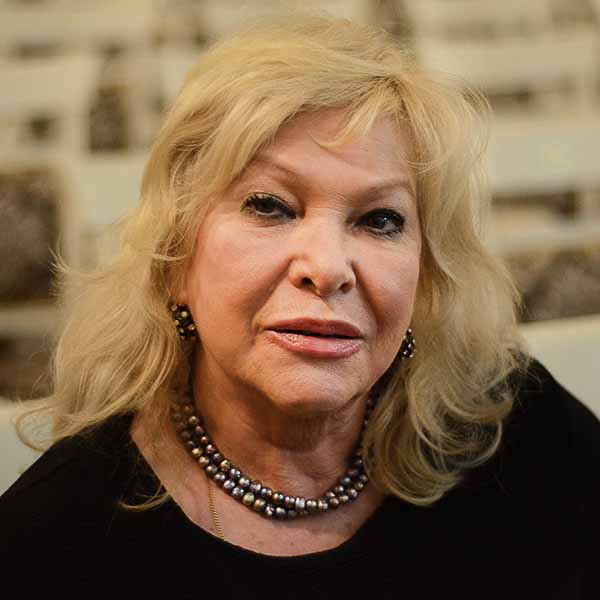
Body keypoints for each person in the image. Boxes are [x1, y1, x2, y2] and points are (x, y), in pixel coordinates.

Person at [1, 13, 598, 599]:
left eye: (380, 219)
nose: (328, 267)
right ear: (175, 256)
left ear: (425, 273)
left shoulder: (517, 427)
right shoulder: (53, 544)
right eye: (269, 206)